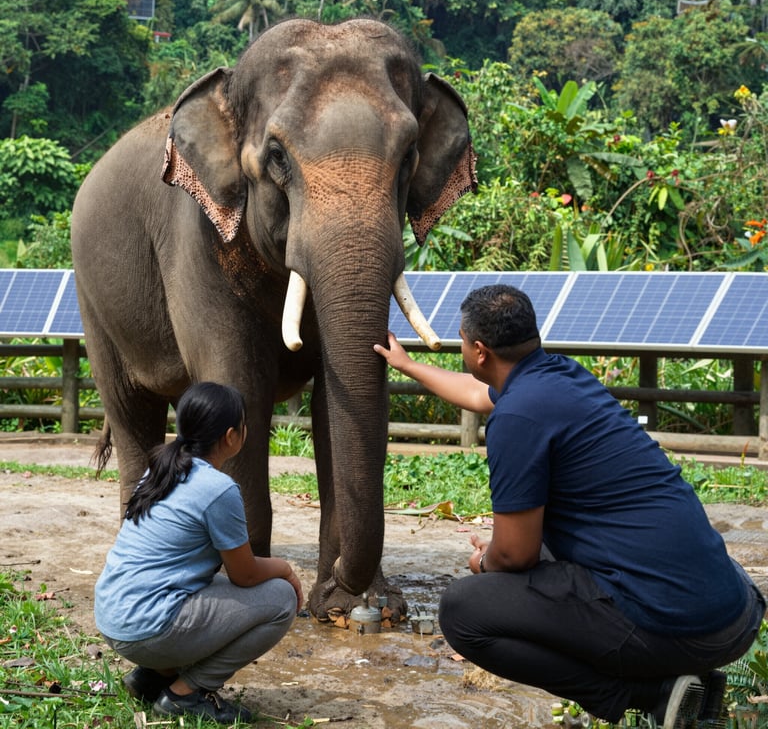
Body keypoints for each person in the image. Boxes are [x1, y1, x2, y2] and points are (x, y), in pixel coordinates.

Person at [374, 284, 765, 729]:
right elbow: (476, 394)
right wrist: (408, 366)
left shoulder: (518, 417)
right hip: (735, 614)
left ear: (479, 351)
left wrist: (487, 559)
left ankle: (651, 694)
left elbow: (514, 555)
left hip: (681, 629)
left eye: (462, 341)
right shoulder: (560, 376)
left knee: (464, 610)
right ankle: (688, 678)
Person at [94, 381, 303, 724]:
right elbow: (245, 574)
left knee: (217, 589)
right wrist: (286, 569)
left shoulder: (159, 469)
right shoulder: (218, 489)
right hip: (146, 627)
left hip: (113, 617)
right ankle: (185, 694)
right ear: (232, 436)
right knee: (280, 600)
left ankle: (153, 676)